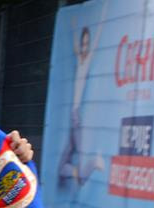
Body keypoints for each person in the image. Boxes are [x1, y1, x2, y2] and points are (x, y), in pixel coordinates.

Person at [57, 3, 107, 189]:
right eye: (83, 43)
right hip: (74, 114)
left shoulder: (86, 61)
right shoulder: (79, 59)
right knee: (62, 167)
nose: (84, 47)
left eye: (87, 43)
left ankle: (93, 163)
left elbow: (97, 37)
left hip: (76, 116)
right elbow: (75, 45)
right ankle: (82, 169)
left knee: (73, 172)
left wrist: (103, 17)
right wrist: (73, 26)